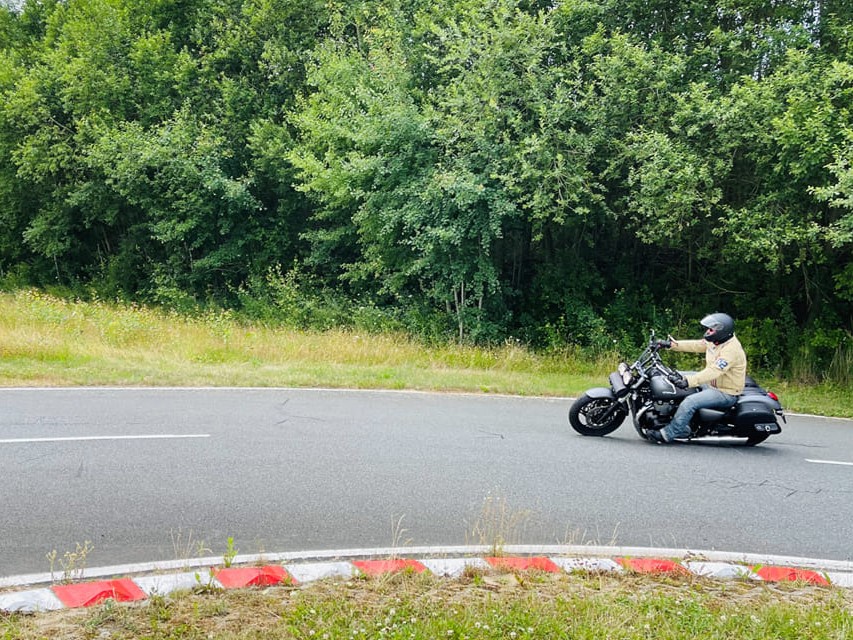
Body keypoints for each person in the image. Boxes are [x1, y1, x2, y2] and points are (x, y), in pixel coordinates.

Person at [648, 312, 747, 444]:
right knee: (674, 374)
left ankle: (670, 433)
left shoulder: (731, 350)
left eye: (711, 330)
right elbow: (697, 345)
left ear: (721, 331)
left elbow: (714, 371)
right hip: (712, 384)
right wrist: (670, 345)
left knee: (690, 402)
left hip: (725, 391)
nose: (707, 331)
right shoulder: (717, 341)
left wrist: (688, 381)